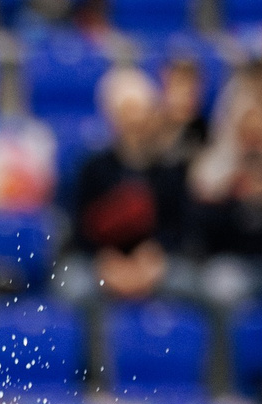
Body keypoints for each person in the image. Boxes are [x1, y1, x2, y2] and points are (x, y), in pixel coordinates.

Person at [187, 72, 262, 308]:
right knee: (219, 288)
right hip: (233, 260)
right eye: (248, 128)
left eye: (261, 129)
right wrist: (232, 196)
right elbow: (199, 230)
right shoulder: (214, 166)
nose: (255, 137)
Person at [66, 67, 188, 303]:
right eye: (127, 113)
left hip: (156, 262)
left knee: (191, 281)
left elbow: (180, 228)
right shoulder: (92, 169)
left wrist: (155, 255)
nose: (135, 122)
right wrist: (105, 260)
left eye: (140, 112)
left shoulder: (169, 171)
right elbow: (79, 227)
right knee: (74, 284)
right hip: (102, 261)